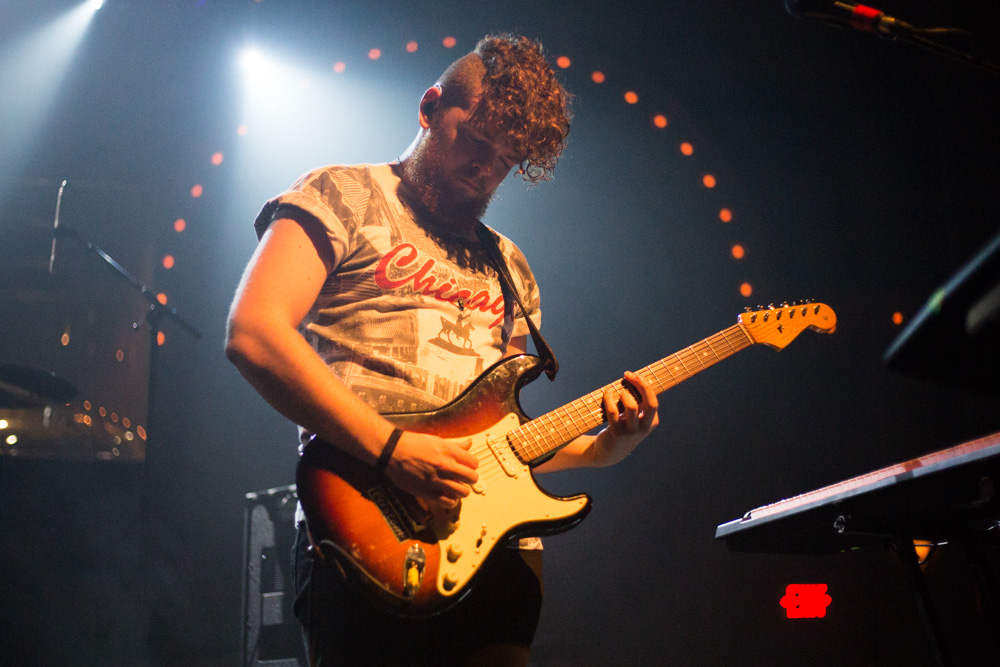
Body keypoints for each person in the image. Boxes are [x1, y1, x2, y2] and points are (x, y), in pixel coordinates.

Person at [225, 33, 659, 666]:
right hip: (367, 530)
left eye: (506, 159)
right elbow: (254, 333)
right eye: (477, 142)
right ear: (430, 107)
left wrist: (603, 448)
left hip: (499, 553)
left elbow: (505, 436)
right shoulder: (340, 194)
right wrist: (395, 450)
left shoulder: (510, 265)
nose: (486, 168)